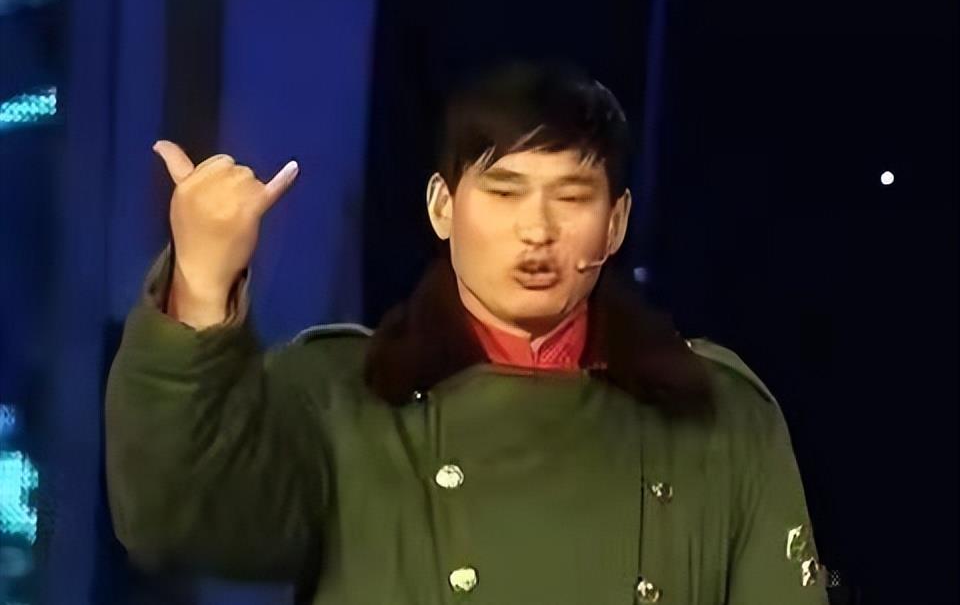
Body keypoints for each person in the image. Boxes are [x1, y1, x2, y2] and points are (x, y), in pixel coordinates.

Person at [105, 62, 828, 604]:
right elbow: (176, 521)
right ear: (442, 206)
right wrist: (202, 278)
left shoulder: (718, 418)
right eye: (505, 191)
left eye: (571, 196)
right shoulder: (342, 401)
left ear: (615, 223)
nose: (537, 230)